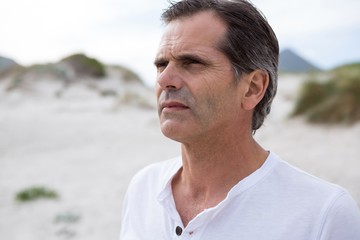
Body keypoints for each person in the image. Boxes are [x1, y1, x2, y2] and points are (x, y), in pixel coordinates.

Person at [120, 0, 360, 239]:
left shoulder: (323, 215)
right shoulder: (144, 188)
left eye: (192, 63)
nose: (164, 80)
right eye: (162, 65)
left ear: (253, 88)